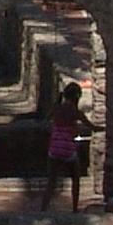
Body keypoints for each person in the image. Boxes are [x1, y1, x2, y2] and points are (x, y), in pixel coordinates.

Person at [43, 82, 92, 212]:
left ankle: (43, 208)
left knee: (51, 181)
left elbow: (46, 120)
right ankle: (75, 208)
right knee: (76, 178)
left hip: (54, 148)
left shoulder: (57, 108)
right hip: (68, 149)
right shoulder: (76, 112)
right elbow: (91, 126)